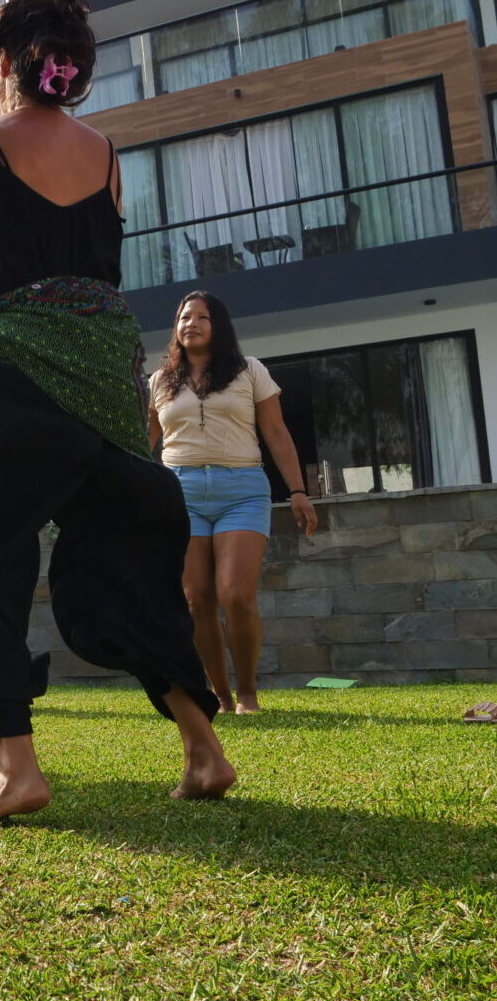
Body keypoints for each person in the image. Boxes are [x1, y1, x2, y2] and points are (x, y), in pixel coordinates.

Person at [0, 0, 235, 824]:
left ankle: (16, 769)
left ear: (7, 62)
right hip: (103, 383)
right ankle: (204, 748)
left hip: (11, 380)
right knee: (128, 562)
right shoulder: (105, 153)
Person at [148, 291, 318, 714]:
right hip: (180, 492)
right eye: (185, 317)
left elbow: (275, 432)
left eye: (202, 317)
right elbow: (144, 442)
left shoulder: (250, 370)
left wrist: (298, 491)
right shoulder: (160, 380)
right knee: (196, 601)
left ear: (218, 325)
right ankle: (221, 697)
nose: (191, 323)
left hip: (241, 489)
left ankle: (247, 694)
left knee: (235, 594)